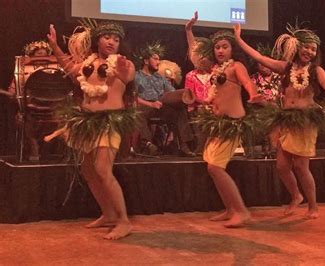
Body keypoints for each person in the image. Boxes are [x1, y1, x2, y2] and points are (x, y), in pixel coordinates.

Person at [234, 23, 325, 219]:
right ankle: (296, 195)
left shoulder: (316, 70)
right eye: (306, 47)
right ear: (297, 47)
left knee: (300, 166)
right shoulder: (286, 67)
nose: (309, 51)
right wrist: (239, 39)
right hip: (287, 120)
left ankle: (313, 205)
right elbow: (260, 57)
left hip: (305, 122)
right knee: (281, 166)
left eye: (313, 49)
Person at [45, 20, 138, 239]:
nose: (112, 42)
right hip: (88, 121)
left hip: (110, 121)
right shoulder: (88, 62)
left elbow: (128, 76)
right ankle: (108, 214)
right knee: (88, 170)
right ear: (98, 40)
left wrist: (124, 70)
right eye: (107, 38)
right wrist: (56, 47)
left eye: (116, 40)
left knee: (102, 169)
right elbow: (70, 69)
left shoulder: (123, 63)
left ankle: (124, 221)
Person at [188, 12, 263, 227]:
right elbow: (195, 56)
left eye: (224, 46)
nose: (220, 50)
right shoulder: (215, 69)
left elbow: (247, 82)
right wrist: (188, 31)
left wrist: (252, 94)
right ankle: (230, 209)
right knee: (211, 166)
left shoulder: (236, 66)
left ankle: (241, 210)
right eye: (217, 47)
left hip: (232, 123)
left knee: (215, 168)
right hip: (217, 123)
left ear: (232, 49)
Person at [134, 42, 196, 156]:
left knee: (179, 111)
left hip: (161, 106)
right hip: (146, 106)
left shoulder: (160, 77)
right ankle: (147, 143)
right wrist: (150, 104)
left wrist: (179, 98)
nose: (158, 62)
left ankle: (184, 145)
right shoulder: (137, 76)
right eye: (155, 59)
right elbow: (133, 98)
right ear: (146, 61)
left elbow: (171, 92)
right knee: (138, 111)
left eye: (159, 59)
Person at [1, 41, 56, 161]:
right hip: (31, 110)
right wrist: (8, 94)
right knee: (22, 119)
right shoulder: (22, 71)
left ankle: (50, 153)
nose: (41, 57)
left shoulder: (56, 69)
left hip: (55, 110)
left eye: (44, 54)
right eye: (38, 54)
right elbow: (13, 93)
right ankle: (33, 147)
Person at [184, 11, 214, 154]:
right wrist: (188, 30)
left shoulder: (215, 73)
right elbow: (189, 97)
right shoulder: (191, 75)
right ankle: (201, 146)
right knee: (200, 113)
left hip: (215, 107)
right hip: (197, 109)